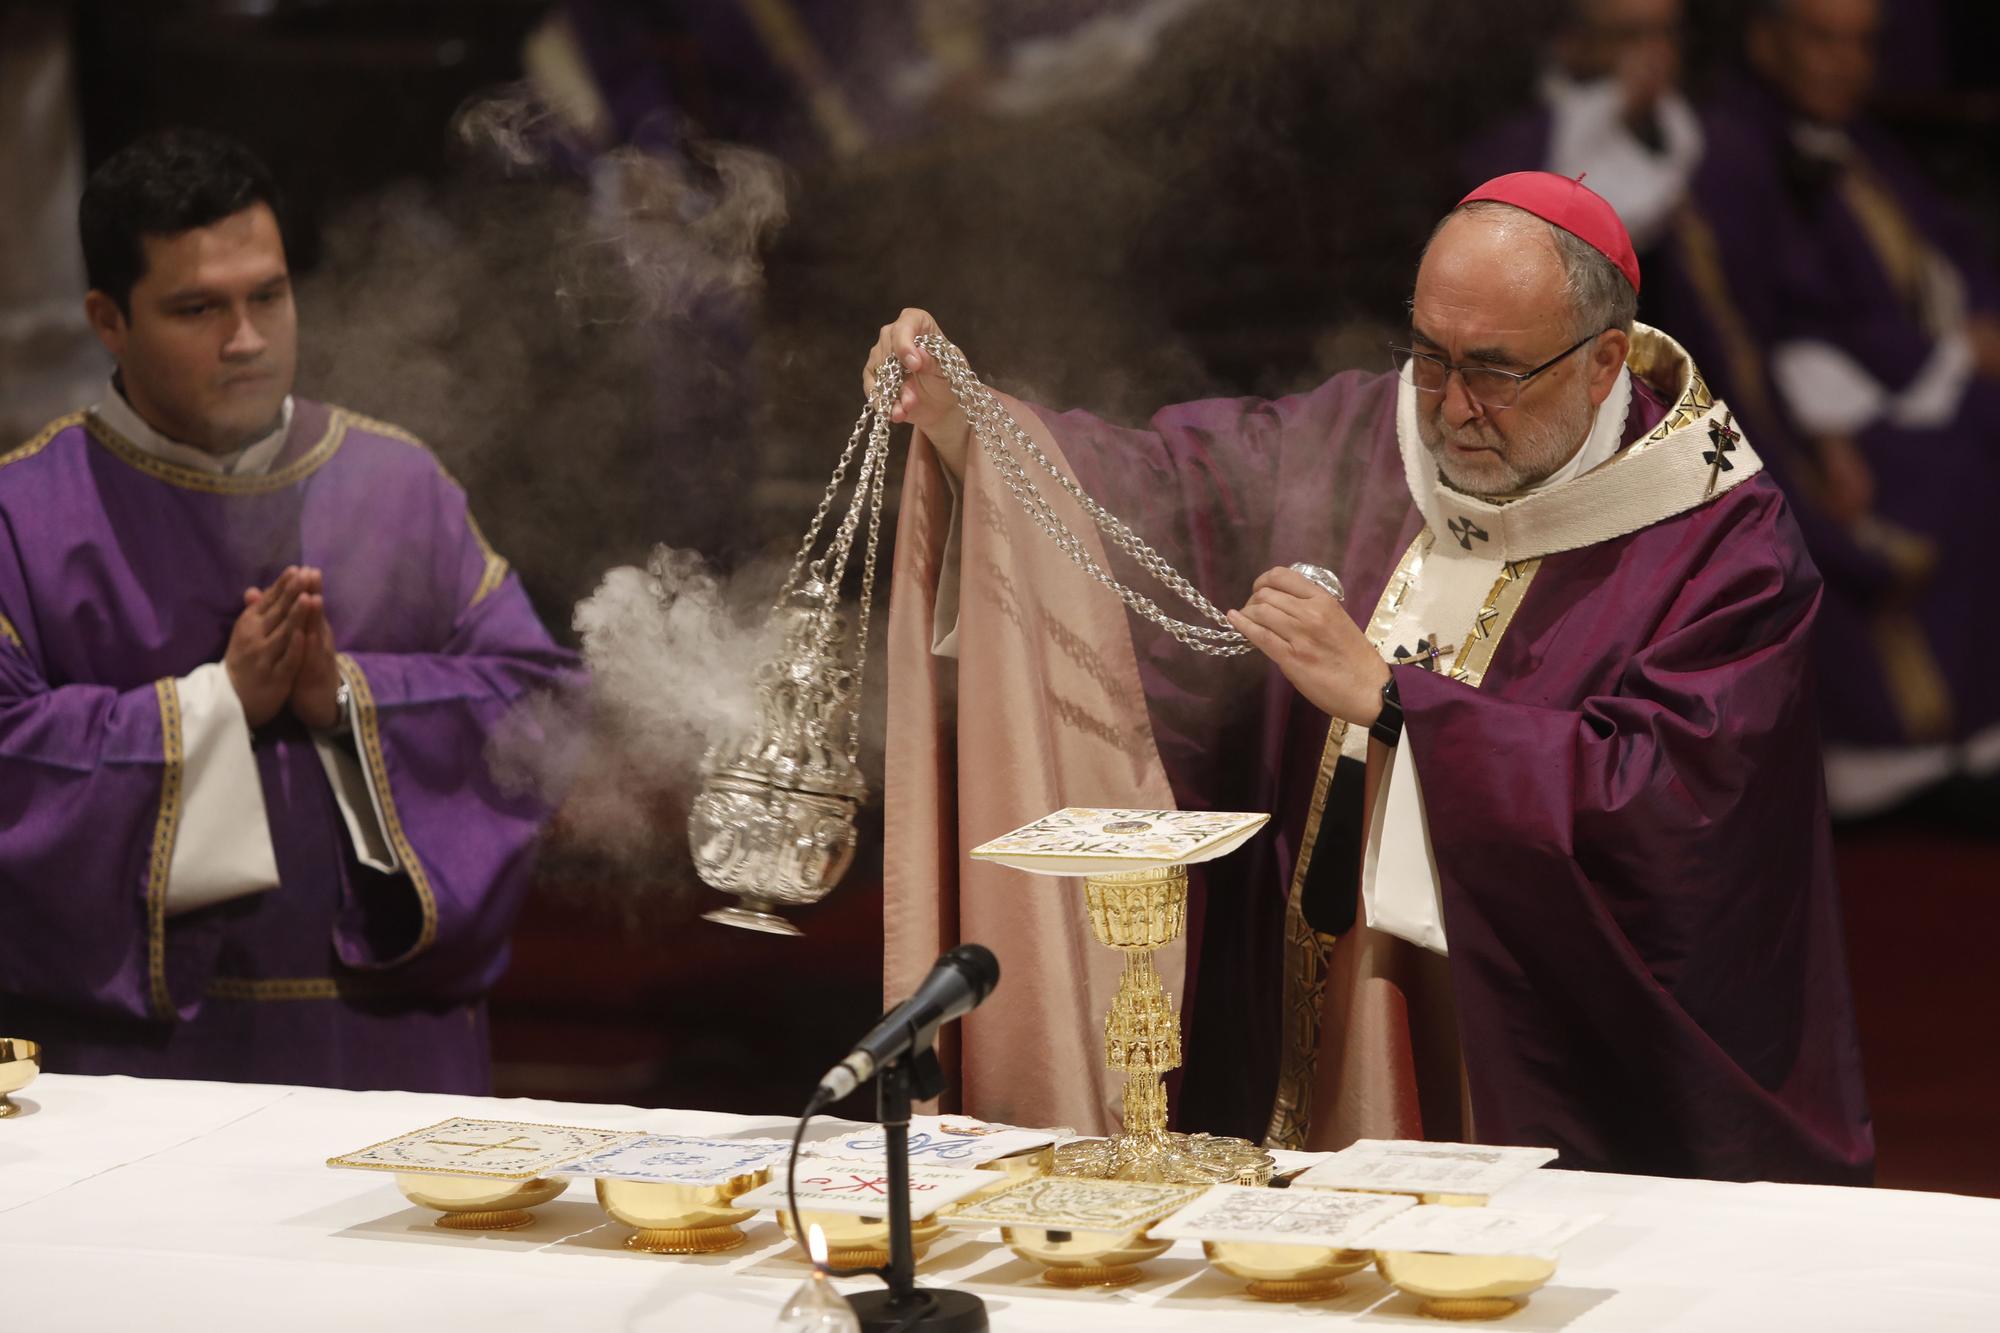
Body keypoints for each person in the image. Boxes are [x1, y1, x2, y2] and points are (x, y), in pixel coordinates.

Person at [870, 171, 1873, 1183]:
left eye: (1494, 371)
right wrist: (974, 425)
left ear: (1603, 359)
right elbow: (1173, 492)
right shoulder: (1364, 436)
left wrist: (1400, 703)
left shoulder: (1719, 543)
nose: (1450, 409)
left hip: (1522, 1058)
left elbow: (1670, 801)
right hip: (1305, 1002)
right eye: (1428, 357)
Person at [0, 129, 580, 1092]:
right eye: (198, 308)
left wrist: (343, 697)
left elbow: (536, 710)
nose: (248, 339)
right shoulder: (26, 514)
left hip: (383, 1051)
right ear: (108, 318)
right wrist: (214, 705)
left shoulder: (397, 485)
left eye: (267, 295)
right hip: (128, 1079)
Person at [1653, 0, 2000, 819]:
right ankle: (1905, 754)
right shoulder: (1729, 154)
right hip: (1824, 424)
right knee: (1959, 475)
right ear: (1764, 37)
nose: (1844, 65)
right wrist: (1936, 363)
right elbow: (1750, 335)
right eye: (1821, 40)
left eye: (1860, 45)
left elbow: (1944, 255)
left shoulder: (1855, 140)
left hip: (1915, 388)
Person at [1463, 0, 1701, 261]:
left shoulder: (1697, 131)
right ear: (1574, 41)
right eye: (1630, 36)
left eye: (1666, 33)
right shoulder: (1517, 145)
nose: (1654, 53)